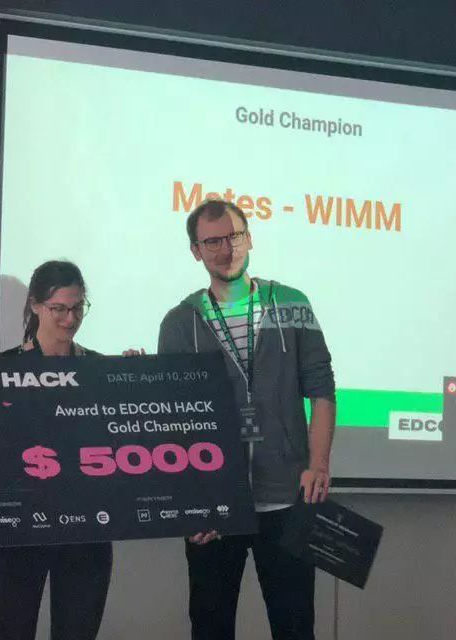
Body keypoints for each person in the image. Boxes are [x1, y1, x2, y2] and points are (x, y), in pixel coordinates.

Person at [158, 200, 336, 640]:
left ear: (249, 238)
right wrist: (189, 502)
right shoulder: (180, 322)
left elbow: (322, 389)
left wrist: (318, 464)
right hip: (215, 507)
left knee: (296, 627)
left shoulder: (292, 304)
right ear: (196, 251)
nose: (227, 249)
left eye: (234, 236)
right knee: (211, 627)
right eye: (212, 241)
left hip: (288, 500)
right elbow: (173, 421)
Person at [0, 260, 141, 640]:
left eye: (78, 308)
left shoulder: (101, 370)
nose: (70, 319)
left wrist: (136, 383)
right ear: (35, 306)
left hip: (87, 531)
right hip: (15, 533)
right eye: (59, 309)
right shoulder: (1, 368)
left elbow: (127, 442)